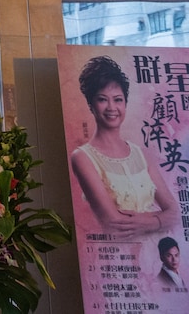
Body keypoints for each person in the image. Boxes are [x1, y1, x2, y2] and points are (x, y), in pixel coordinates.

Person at [70, 56, 178, 239]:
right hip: (121, 257)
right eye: (102, 99)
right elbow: (114, 224)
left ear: (125, 103)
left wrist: (152, 222)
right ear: (91, 105)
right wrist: (160, 218)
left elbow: (176, 213)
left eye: (118, 99)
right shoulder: (82, 157)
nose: (112, 107)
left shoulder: (140, 153)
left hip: (160, 249)